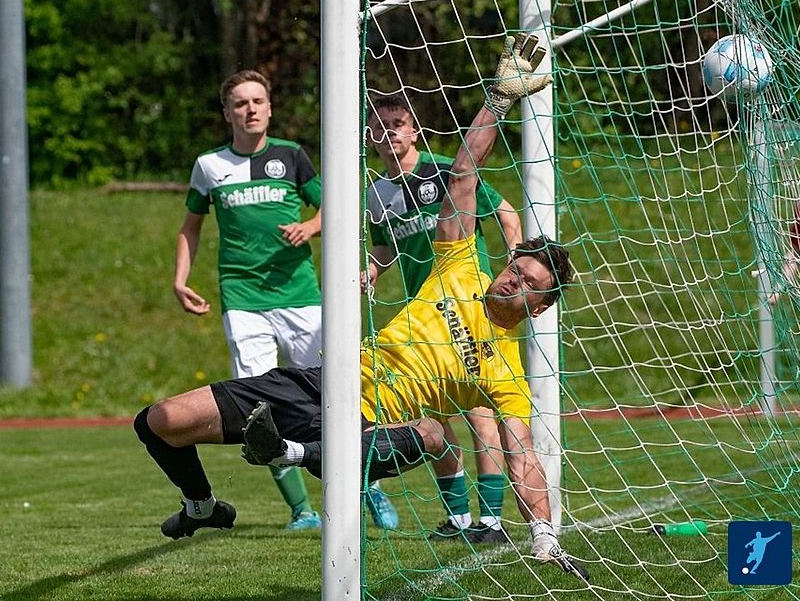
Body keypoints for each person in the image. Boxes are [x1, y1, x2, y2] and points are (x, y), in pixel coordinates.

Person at [136, 34, 588, 580]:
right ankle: (204, 505)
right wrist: (498, 100)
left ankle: (295, 452)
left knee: (432, 435)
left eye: (527, 286)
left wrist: (543, 533)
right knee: (158, 421)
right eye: (515, 270)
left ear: (538, 309)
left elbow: (523, 457)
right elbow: (464, 175)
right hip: (325, 383)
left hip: (377, 429)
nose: (512, 281)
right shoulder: (459, 267)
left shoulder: (507, 369)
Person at [171, 70, 396, 531]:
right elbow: (190, 226)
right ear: (227, 112)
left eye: (258, 101)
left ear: (270, 108)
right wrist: (180, 280)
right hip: (243, 299)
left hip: (300, 297)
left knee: (336, 395)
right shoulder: (210, 166)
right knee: (259, 411)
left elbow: (332, 205)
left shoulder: (292, 156)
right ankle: (302, 510)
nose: (250, 109)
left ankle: (369, 485)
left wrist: (310, 228)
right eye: (240, 103)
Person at [364, 94, 523, 544]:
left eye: (398, 123)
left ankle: (491, 521)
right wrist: (371, 270)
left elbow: (506, 213)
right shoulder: (375, 194)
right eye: (380, 126)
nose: (390, 131)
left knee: (477, 409)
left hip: (467, 305)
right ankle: (458, 518)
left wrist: (514, 257)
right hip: (422, 317)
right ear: (370, 137)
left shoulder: (442, 172)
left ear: (414, 130)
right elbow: (385, 248)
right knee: (431, 416)